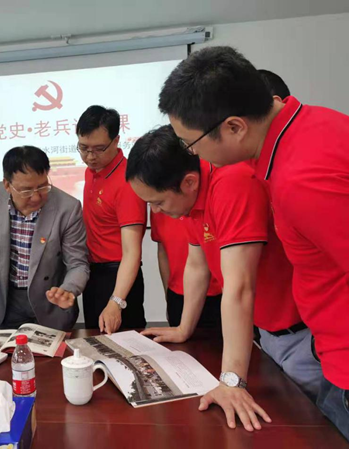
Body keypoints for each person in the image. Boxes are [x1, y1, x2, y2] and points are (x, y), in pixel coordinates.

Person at [158, 46, 349, 440]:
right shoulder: (317, 122)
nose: (192, 155)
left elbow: (240, 286)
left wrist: (232, 381)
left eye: (191, 143)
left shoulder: (300, 179)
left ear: (234, 127)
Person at [126, 124, 321, 432]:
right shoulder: (191, 200)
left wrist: (231, 381)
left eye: (159, 202)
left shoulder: (231, 184)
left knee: (315, 428)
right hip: (269, 332)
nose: (156, 211)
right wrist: (183, 328)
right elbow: (197, 265)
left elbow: (239, 287)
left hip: (304, 334)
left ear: (189, 182)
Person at [0, 146, 89, 333]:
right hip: (8, 300)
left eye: (42, 187)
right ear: (7, 185)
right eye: (26, 191)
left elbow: (78, 263)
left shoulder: (68, 208)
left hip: (50, 302)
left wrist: (68, 289)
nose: (36, 197)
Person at [76, 106, 147, 334]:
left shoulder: (127, 182)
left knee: (125, 345)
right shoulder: (92, 171)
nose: (90, 157)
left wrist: (117, 301)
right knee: (94, 341)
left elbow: (132, 252)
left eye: (98, 149)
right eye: (83, 148)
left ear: (116, 141)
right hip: (94, 273)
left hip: (119, 278)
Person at [150, 211, 222, 328]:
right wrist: (168, 296)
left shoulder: (208, 209)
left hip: (218, 294)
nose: (155, 208)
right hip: (177, 295)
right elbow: (163, 251)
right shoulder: (159, 211)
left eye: (159, 203)